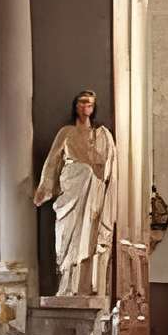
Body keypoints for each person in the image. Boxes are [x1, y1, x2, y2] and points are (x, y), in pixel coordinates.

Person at [37, 89, 118, 299]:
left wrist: (92, 169)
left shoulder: (101, 135)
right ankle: (66, 285)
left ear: (94, 108)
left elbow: (108, 167)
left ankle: (84, 285)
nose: (85, 107)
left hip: (92, 194)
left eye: (90, 104)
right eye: (82, 102)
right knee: (67, 239)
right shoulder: (66, 133)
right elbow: (53, 161)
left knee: (89, 237)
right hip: (70, 192)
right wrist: (44, 189)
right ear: (75, 106)